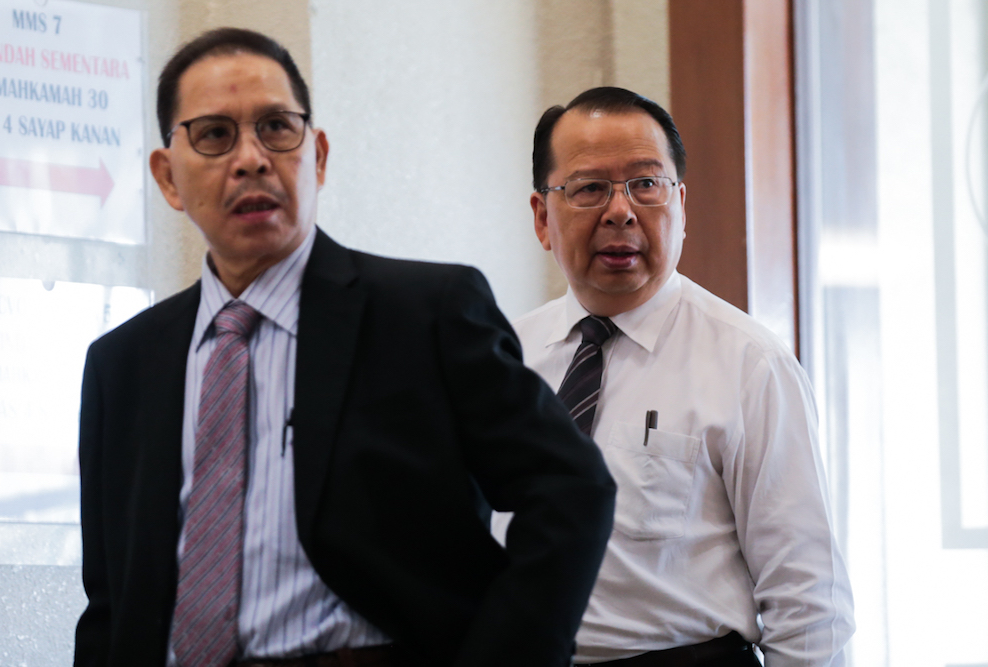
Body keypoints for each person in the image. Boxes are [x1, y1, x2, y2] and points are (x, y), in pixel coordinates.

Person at [74, 28, 616, 667]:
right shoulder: (123, 364)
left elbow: (571, 489)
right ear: (168, 177)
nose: (250, 158)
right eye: (215, 135)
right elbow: (111, 600)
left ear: (318, 156)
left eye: (277, 127)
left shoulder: (425, 312)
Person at [495, 87, 854, 666]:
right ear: (542, 217)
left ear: (680, 204)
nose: (620, 211)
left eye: (646, 184)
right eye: (589, 188)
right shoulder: (503, 359)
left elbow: (809, 603)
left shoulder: (750, 365)